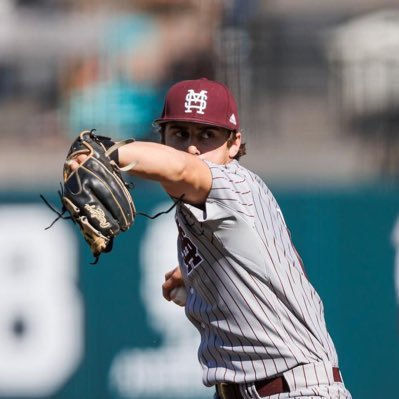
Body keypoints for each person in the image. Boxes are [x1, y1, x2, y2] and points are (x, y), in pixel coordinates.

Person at [70, 78, 352, 399]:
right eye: (179, 134)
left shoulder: (233, 184)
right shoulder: (205, 210)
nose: (192, 147)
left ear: (234, 144)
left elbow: (184, 169)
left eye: (207, 135)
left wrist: (106, 151)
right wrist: (198, 277)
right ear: (161, 138)